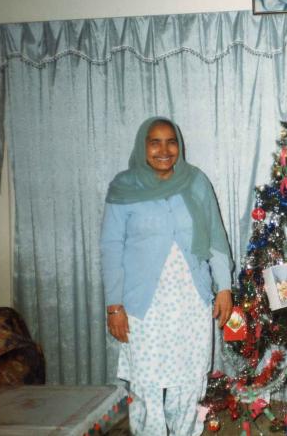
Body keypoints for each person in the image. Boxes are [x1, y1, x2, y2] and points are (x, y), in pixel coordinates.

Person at [101, 117, 233, 435]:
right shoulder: (123, 187)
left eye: (170, 141)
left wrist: (225, 289)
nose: (164, 149)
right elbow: (110, 249)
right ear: (142, 146)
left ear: (179, 146)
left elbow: (216, 238)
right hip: (144, 305)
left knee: (189, 381)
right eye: (154, 142)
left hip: (192, 300)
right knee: (147, 384)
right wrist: (114, 306)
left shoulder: (196, 182)